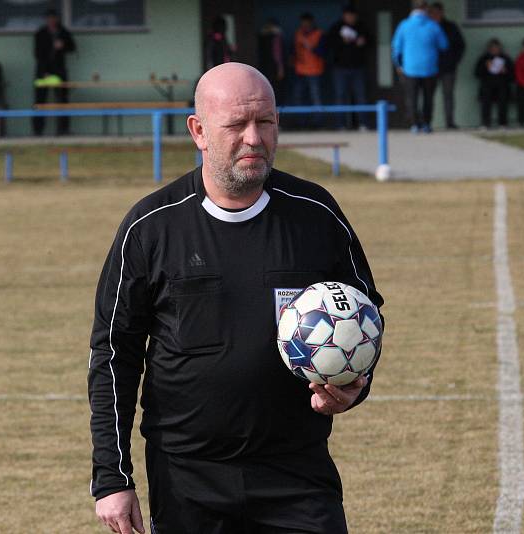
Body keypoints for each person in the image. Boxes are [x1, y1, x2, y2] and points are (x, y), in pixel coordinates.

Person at [89, 62, 384, 534]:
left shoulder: (317, 214)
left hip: (296, 472)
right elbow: (112, 356)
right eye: (237, 125)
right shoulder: (150, 228)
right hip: (187, 479)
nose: (254, 137)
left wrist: (354, 388)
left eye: (265, 122)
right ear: (199, 131)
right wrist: (112, 477)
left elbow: (366, 316)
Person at [392, 0, 448, 134]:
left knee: (412, 98)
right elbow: (444, 45)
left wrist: (398, 65)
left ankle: (414, 125)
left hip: (410, 68)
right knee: (428, 98)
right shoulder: (433, 25)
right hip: (430, 68)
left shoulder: (404, 25)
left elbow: (396, 48)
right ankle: (427, 124)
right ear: (426, 10)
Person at [33, 9, 76, 136]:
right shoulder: (40, 33)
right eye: (49, 18)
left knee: (62, 99)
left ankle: (63, 129)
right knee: (40, 101)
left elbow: (72, 47)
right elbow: (37, 53)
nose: (51, 20)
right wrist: (44, 71)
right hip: (43, 71)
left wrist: (62, 46)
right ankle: (38, 130)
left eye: (54, 18)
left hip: (59, 70)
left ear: (57, 19)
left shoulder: (63, 32)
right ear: (46, 19)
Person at [328, 6, 372, 129]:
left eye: (353, 15)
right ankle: (340, 124)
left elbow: (371, 42)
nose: (350, 18)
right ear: (344, 16)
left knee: (360, 96)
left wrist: (363, 42)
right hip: (340, 68)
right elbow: (329, 45)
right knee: (340, 96)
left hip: (358, 68)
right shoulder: (336, 27)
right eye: (348, 15)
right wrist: (342, 42)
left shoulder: (362, 27)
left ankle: (363, 124)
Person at [428, 2, 465, 129]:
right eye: (432, 13)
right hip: (430, 68)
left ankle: (449, 122)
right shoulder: (427, 26)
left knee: (448, 96)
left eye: (437, 13)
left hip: (448, 68)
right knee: (429, 95)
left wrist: (454, 61)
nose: (435, 15)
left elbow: (460, 46)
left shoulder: (451, 27)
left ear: (442, 13)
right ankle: (428, 122)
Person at [291, 12, 325, 128]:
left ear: (312, 22)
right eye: (303, 22)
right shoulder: (298, 34)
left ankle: (317, 123)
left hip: (314, 71)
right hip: (300, 71)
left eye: (307, 22)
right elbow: (293, 51)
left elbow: (321, 52)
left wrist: (307, 44)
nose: (305, 25)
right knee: (298, 97)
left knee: (316, 98)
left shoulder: (319, 34)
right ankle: (300, 122)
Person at [474, 38, 514, 129]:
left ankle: (502, 123)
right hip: (487, 85)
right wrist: (486, 67)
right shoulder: (484, 58)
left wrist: (505, 71)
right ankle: (485, 123)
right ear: (489, 49)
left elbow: (512, 77)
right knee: (485, 98)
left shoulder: (505, 58)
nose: (495, 50)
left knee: (503, 97)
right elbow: (477, 73)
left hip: (502, 86)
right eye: (493, 48)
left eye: (497, 48)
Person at [257, 19, 285, 105]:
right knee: (268, 85)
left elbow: (278, 54)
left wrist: (280, 67)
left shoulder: (277, 37)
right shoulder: (264, 37)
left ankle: (276, 103)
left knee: (275, 85)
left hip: (274, 65)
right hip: (267, 65)